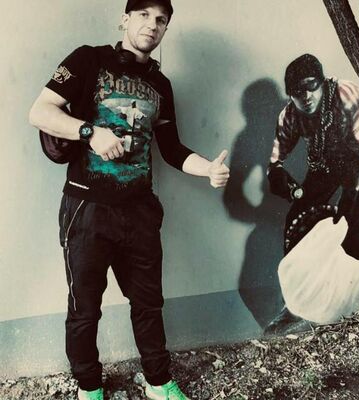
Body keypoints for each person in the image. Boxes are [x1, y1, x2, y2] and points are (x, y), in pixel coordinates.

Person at [29, 1, 230, 399]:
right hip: (87, 208)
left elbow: (172, 149)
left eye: (161, 20)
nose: (152, 25)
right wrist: (91, 133)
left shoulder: (161, 85)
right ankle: (89, 388)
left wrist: (207, 168)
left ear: (166, 29)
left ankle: (158, 382)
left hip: (139, 211)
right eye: (143, 15)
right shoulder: (88, 60)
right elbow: (40, 112)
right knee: (85, 309)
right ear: (125, 19)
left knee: (148, 303)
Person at [266, 53, 359, 332]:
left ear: (322, 82)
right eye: (297, 91)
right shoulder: (290, 115)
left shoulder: (348, 97)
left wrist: (352, 191)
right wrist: (277, 174)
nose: (306, 96)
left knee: (348, 223)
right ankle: (297, 302)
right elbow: (275, 158)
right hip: (325, 160)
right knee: (298, 220)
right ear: (290, 94)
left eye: (311, 86)